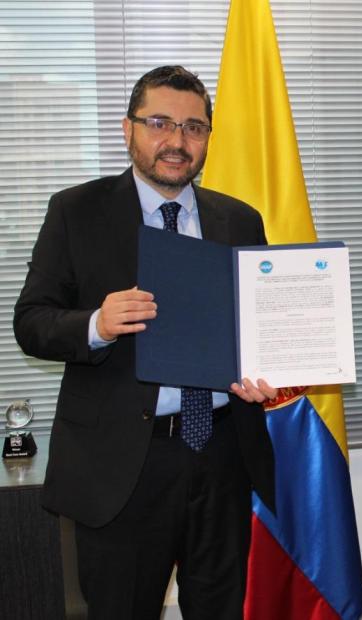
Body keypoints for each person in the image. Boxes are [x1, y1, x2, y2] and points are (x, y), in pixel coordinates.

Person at [14, 66, 277, 620]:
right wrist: (97, 324)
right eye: (159, 123)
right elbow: (32, 321)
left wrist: (266, 372)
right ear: (127, 128)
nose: (177, 142)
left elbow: (261, 326)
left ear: (208, 137)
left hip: (223, 454)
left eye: (194, 128)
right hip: (122, 466)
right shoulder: (76, 212)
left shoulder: (240, 220)